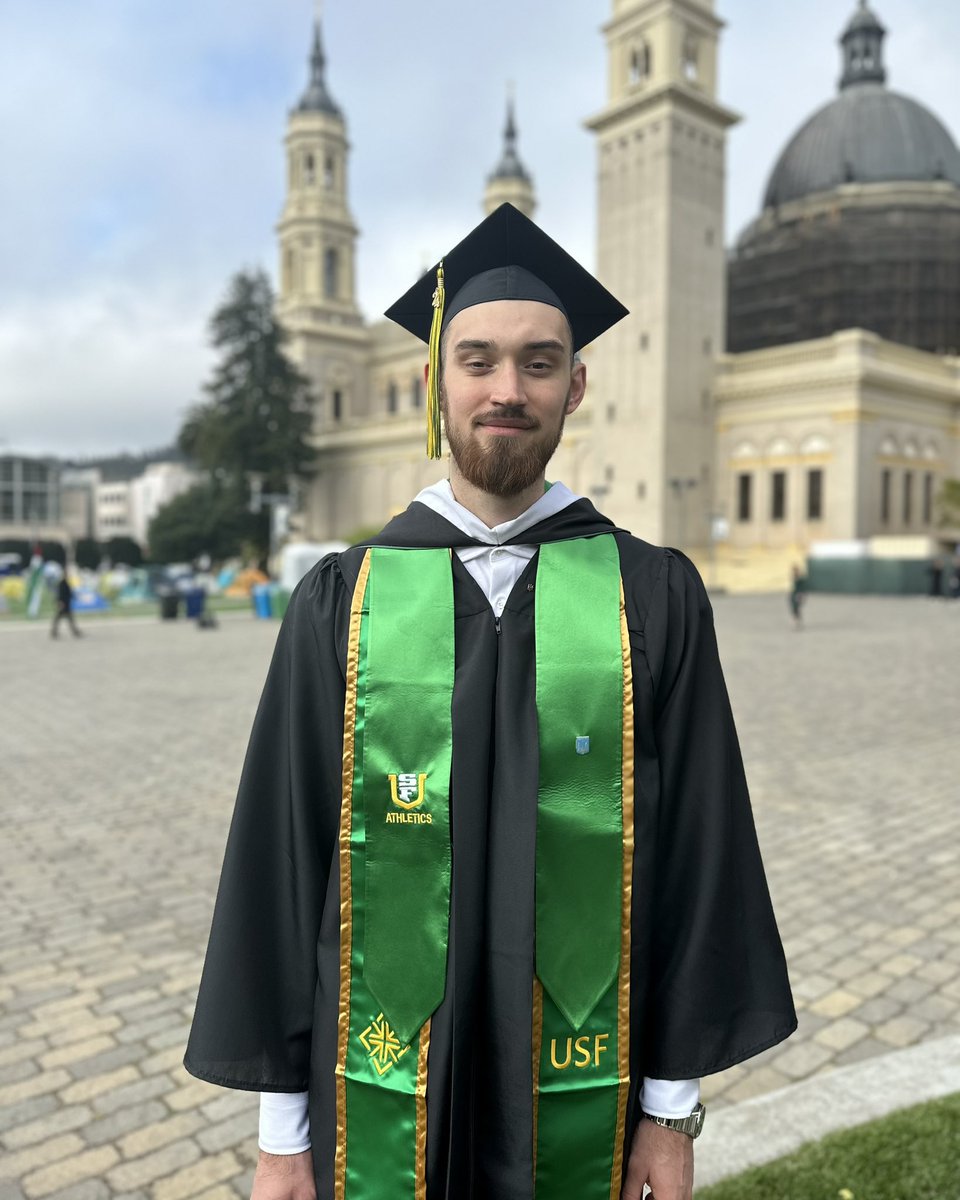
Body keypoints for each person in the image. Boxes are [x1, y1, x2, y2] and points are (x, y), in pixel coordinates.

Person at [185, 204, 796, 1200]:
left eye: (539, 363)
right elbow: (282, 862)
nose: (507, 390)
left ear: (577, 385)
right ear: (435, 383)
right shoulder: (347, 599)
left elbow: (700, 856)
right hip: (377, 1095)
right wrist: (282, 1139)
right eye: (477, 360)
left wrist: (671, 1116)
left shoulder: (651, 595)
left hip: (588, 1112)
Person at [50, 570, 82, 639]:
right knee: (62, 619)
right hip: (64, 604)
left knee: (65, 619)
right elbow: (61, 594)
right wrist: (60, 602)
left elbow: (69, 593)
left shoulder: (65, 583)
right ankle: (55, 632)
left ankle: (55, 632)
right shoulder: (62, 583)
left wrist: (74, 596)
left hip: (66, 604)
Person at [788, 564, 807, 629]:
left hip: (798, 594)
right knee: (794, 609)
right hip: (794, 594)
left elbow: (803, 588)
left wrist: (802, 595)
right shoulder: (794, 577)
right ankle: (796, 622)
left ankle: (798, 622)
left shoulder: (801, 578)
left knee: (797, 608)